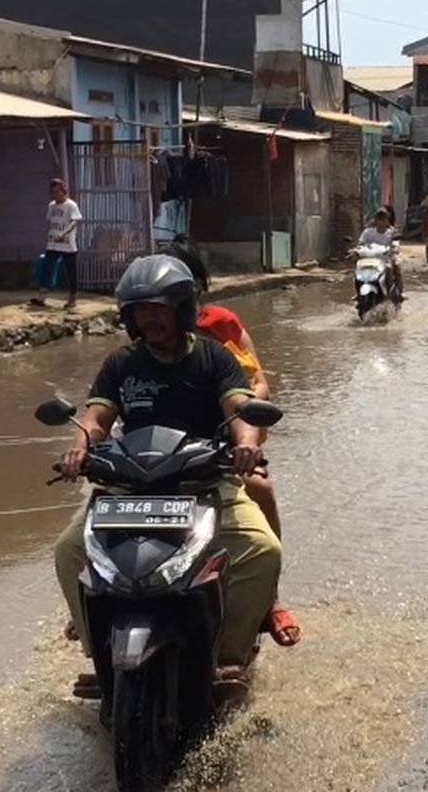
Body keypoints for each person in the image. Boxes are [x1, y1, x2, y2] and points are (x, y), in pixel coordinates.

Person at [54, 254, 282, 682]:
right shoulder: (122, 364)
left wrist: (247, 446)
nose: (149, 318)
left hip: (205, 482)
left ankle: (230, 653)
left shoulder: (215, 359)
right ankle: (95, 648)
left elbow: (241, 409)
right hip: (131, 487)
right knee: (68, 549)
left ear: (183, 308)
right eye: (140, 309)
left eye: (159, 308)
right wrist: (79, 448)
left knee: (263, 550)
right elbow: (96, 418)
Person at [168, 235, 301, 647]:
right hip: (161, 449)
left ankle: (270, 597)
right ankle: (99, 598)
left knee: (260, 488)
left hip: (223, 442)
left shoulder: (220, 325)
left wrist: (244, 418)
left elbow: (258, 380)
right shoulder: (143, 332)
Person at [36, 179, 83, 310]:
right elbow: (50, 221)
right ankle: (42, 298)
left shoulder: (71, 205)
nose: (54, 195)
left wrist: (64, 233)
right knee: (47, 269)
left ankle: (72, 298)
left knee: (70, 272)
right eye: (52, 193)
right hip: (53, 243)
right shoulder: (51, 206)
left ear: (63, 192)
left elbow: (75, 222)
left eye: (57, 192)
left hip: (67, 245)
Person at [358, 207, 404, 299]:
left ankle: (399, 292)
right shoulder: (368, 232)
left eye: (383, 219)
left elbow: (396, 244)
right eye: (379, 219)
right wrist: (355, 250)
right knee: (357, 268)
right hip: (370, 259)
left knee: (396, 266)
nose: (381, 222)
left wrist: (395, 248)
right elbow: (360, 243)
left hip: (386, 258)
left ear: (387, 220)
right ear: (375, 220)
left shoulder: (392, 232)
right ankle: (358, 292)